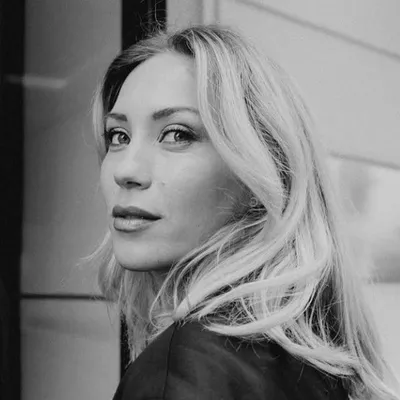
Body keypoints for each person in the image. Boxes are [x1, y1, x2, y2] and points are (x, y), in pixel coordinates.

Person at [87, 24, 399, 399]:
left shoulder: (181, 371)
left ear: (259, 172)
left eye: (177, 134)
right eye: (118, 136)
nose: (125, 170)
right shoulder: (301, 354)